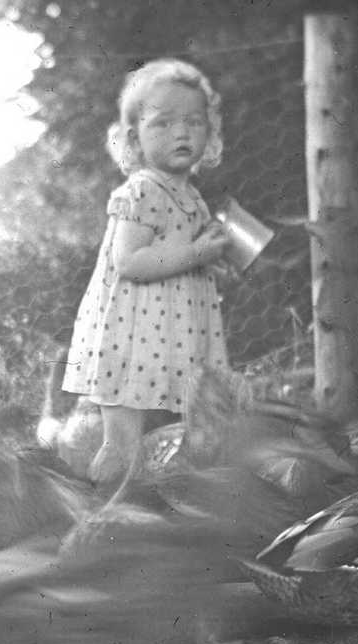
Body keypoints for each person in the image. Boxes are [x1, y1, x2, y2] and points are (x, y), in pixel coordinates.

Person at [62, 58, 231, 487]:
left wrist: (211, 257)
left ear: (210, 132)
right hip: (132, 338)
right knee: (122, 444)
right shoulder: (140, 191)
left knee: (183, 438)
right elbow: (130, 262)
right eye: (163, 124)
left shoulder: (192, 197)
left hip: (174, 337)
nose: (181, 133)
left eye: (194, 122)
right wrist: (194, 253)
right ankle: (99, 507)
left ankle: (160, 502)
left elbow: (181, 257)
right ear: (135, 138)